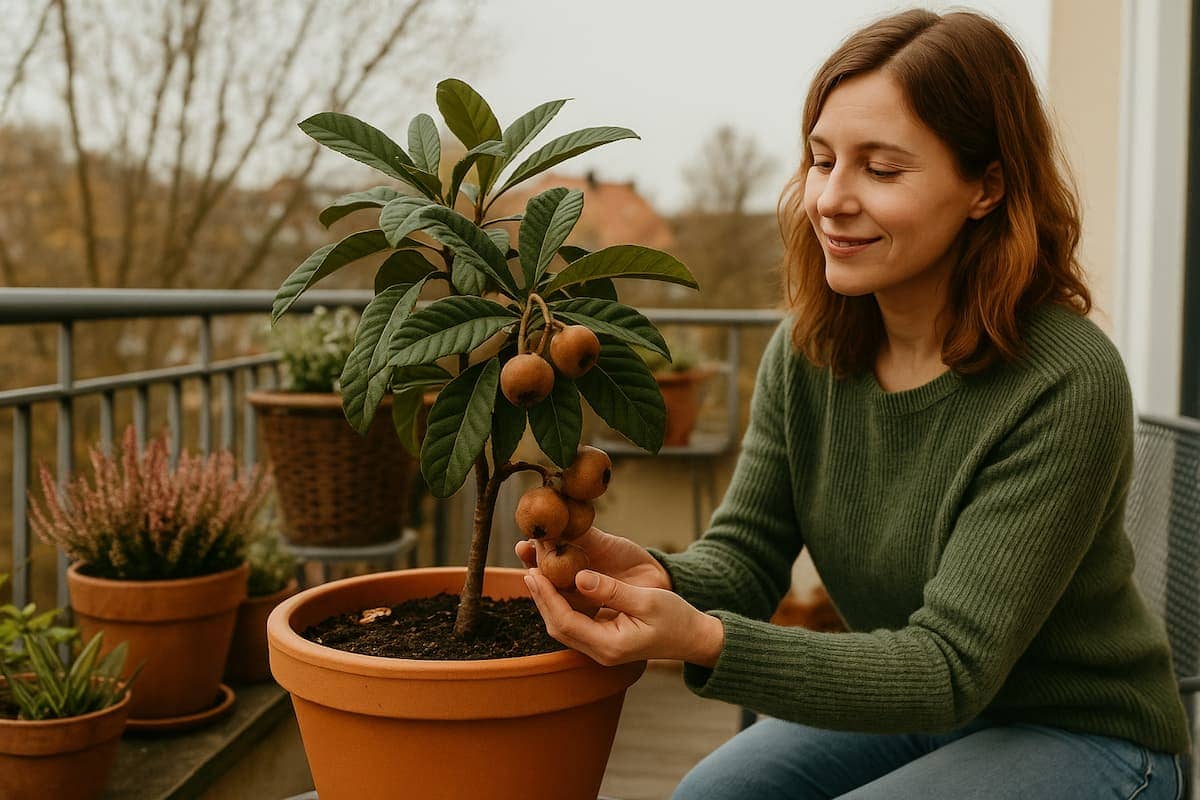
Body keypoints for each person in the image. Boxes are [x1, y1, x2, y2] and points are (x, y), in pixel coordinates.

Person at [516, 8, 1191, 798]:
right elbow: (744, 560)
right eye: (822, 159)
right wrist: (656, 580)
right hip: (925, 703)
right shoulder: (809, 352)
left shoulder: (1064, 380)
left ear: (987, 186)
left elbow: (951, 664)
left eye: (882, 168)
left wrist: (701, 638)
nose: (830, 199)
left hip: (1085, 730)